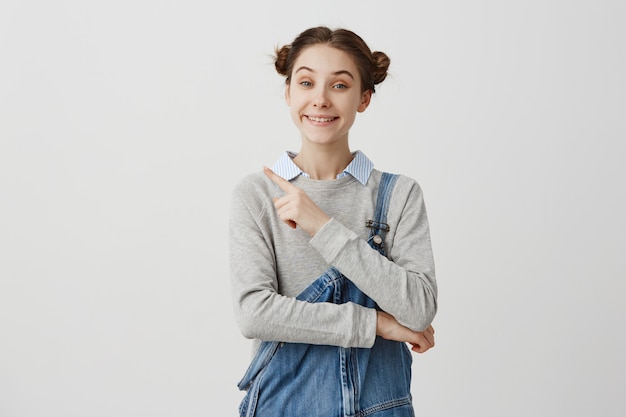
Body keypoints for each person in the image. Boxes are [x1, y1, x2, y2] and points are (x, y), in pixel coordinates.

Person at [229, 26, 437, 417]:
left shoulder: (398, 195)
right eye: (306, 82)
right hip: (282, 407)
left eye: (339, 86)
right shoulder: (256, 195)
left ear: (364, 98)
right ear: (289, 93)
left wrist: (321, 225)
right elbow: (254, 312)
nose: (320, 100)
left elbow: (419, 309)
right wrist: (375, 323)